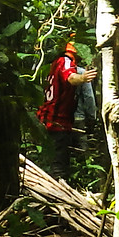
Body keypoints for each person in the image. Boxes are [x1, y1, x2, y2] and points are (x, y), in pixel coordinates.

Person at [37, 39, 98, 178]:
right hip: (57, 121)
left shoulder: (52, 64)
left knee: (52, 160)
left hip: (48, 119)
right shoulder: (65, 61)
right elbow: (70, 77)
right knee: (59, 166)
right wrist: (82, 78)